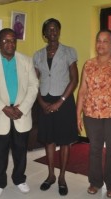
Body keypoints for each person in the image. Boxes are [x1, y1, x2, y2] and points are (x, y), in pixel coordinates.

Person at [0, 28, 38, 197]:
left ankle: (19, 179)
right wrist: (3, 107)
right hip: (0, 114)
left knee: (20, 150)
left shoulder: (26, 61)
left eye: (12, 40)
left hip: (22, 113)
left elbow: (33, 87)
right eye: (5, 40)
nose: (9, 44)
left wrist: (22, 108)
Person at [76, 29, 111, 198]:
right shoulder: (88, 64)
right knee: (94, 149)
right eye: (98, 41)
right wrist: (77, 115)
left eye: (105, 41)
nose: (100, 44)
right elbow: (81, 92)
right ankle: (95, 182)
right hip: (91, 115)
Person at [33, 18, 79, 196]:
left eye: (55, 29)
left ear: (59, 32)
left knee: (65, 140)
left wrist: (60, 101)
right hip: (44, 101)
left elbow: (74, 79)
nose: (52, 32)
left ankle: (62, 177)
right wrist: (41, 102)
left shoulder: (69, 52)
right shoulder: (38, 55)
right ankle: (51, 175)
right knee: (49, 139)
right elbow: (33, 81)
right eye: (49, 30)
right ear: (44, 34)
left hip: (64, 101)